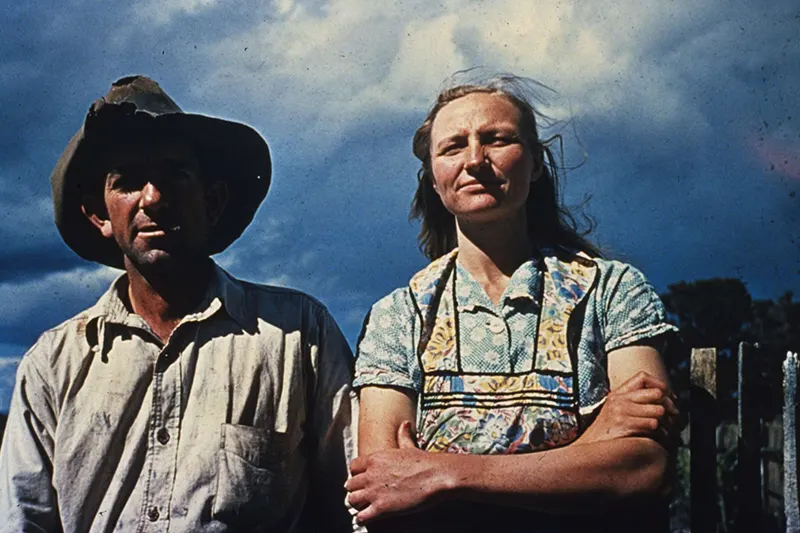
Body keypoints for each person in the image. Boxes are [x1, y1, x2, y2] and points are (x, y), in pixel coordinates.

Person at [0, 75, 354, 533]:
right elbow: (23, 519)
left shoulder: (298, 334)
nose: (153, 198)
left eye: (174, 175)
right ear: (100, 215)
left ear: (212, 201)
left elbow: (352, 504)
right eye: (127, 182)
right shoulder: (53, 363)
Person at [346, 75, 680, 532]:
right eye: (452, 147)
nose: (475, 160)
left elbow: (642, 468)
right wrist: (593, 441)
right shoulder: (399, 315)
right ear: (433, 177)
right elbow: (382, 490)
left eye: (497, 139)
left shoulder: (611, 290)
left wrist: (444, 474)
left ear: (537, 163)